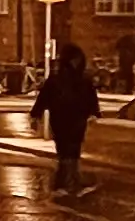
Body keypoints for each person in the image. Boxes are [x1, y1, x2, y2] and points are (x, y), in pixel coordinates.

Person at [29, 37, 101, 196]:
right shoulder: (59, 80)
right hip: (63, 119)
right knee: (66, 151)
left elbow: (90, 97)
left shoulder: (80, 79)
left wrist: (94, 113)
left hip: (75, 119)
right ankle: (68, 183)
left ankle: (68, 182)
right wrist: (35, 115)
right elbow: (44, 98)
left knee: (71, 151)